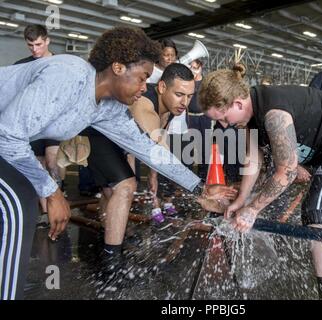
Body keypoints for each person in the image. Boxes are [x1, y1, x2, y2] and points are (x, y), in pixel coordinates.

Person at [0, 27, 236, 300]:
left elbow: (148, 150)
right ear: (118, 67)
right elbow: (7, 135)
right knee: (19, 204)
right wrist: (51, 191)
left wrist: (199, 190)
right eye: (142, 78)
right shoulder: (70, 74)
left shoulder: (107, 108)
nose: (143, 88)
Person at [198, 65, 322, 299]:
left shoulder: (274, 113)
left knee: (317, 210)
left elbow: (286, 171)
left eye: (224, 118)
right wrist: (241, 201)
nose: (224, 125)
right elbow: (253, 161)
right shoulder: (249, 118)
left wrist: (253, 209)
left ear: (237, 103)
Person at [130, 63, 196, 222]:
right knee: (124, 186)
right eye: (179, 94)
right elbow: (157, 148)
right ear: (162, 87)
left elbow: (160, 135)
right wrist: (199, 189)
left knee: (131, 184)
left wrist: (153, 175)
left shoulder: (172, 106)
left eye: (189, 96)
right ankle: (112, 241)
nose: (185, 103)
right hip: (103, 135)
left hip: (131, 139)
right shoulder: (144, 103)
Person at [14, 24, 65, 217]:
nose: (35, 49)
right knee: (39, 165)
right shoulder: (21, 65)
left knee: (52, 162)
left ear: (47, 41)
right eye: (30, 45)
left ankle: (59, 197)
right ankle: (46, 211)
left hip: (54, 123)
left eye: (38, 44)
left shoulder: (61, 63)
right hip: (31, 125)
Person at [188, 59, 213, 179]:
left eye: (195, 68)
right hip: (190, 117)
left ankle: (203, 177)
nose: (193, 70)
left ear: (201, 67)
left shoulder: (206, 83)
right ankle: (188, 176)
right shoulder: (188, 82)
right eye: (191, 67)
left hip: (204, 118)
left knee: (205, 148)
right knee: (189, 147)